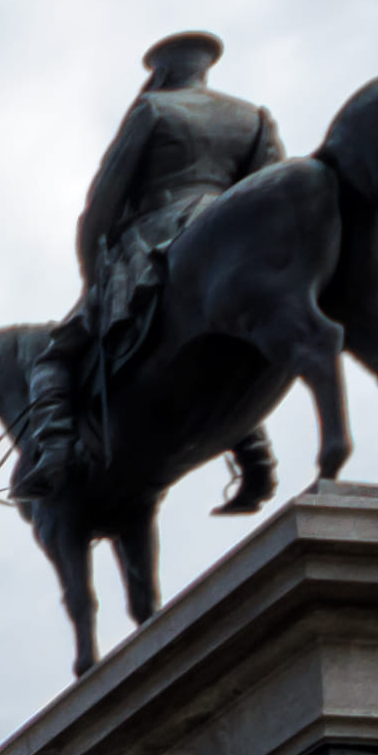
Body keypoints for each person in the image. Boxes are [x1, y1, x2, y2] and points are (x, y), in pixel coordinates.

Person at [28, 33, 287, 502]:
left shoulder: (154, 110)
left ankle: (56, 455)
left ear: (163, 71)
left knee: (54, 355)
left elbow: (103, 200)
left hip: (155, 235)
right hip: (229, 241)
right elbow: (267, 191)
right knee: (233, 331)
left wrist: (93, 276)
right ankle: (257, 458)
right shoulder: (253, 117)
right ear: (204, 68)